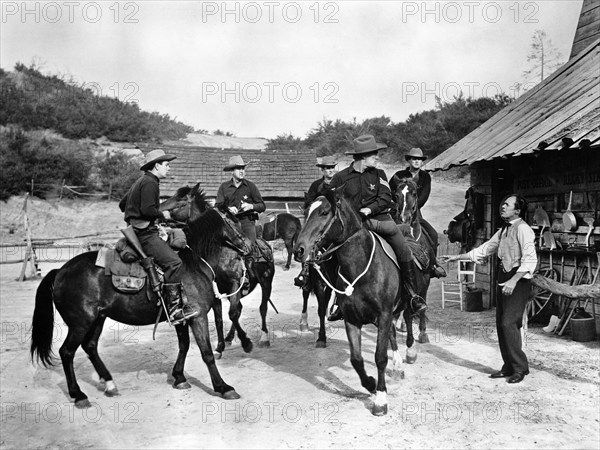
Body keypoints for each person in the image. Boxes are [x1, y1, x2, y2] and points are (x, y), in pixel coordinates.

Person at [327, 134, 427, 321]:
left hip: (379, 221)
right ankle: (338, 300)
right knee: (330, 255)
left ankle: (413, 295)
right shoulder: (340, 178)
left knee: (403, 249)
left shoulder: (379, 174)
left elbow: (386, 198)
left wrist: (369, 209)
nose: (377, 158)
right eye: (374, 155)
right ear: (363, 157)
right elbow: (331, 201)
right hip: (351, 229)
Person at [440, 194, 537, 384]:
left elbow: (530, 259)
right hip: (504, 278)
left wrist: (513, 281)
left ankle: (520, 368)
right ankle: (508, 366)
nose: (502, 207)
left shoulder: (524, 229)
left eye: (507, 205)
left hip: (518, 280)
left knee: (509, 323)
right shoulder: (502, 231)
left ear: (517, 210)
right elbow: (485, 249)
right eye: (502, 203)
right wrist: (456, 258)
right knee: (501, 323)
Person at [119, 149, 199, 325]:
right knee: (175, 263)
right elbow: (148, 210)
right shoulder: (150, 183)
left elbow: (122, 204)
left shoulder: (139, 182)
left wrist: (135, 214)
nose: (169, 169)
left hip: (137, 229)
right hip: (144, 235)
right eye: (167, 165)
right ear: (157, 165)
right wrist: (164, 215)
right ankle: (175, 310)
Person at [390, 147, 446, 278]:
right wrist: (396, 207)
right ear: (409, 160)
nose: (416, 161)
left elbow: (424, 196)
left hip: (415, 212)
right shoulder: (399, 175)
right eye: (414, 159)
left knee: (432, 234)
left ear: (422, 162)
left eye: (419, 160)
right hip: (398, 211)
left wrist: (412, 209)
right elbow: (389, 191)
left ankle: (433, 266)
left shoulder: (425, 177)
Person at [215, 155, 266, 269]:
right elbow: (218, 206)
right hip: (229, 224)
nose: (242, 171)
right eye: (239, 168)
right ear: (232, 171)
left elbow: (262, 206)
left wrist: (251, 206)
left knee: (250, 250)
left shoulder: (250, 186)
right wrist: (228, 209)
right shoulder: (224, 187)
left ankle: (248, 276)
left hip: (247, 222)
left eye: (243, 168)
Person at [294, 155, 338, 288]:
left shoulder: (339, 184)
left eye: (332, 168)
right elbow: (308, 204)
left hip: (335, 221)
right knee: (310, 241)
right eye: (327, 168)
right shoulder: (316, 186)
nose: (330, 171)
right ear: (322, 171)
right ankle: (306, 271)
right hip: (319, 221)